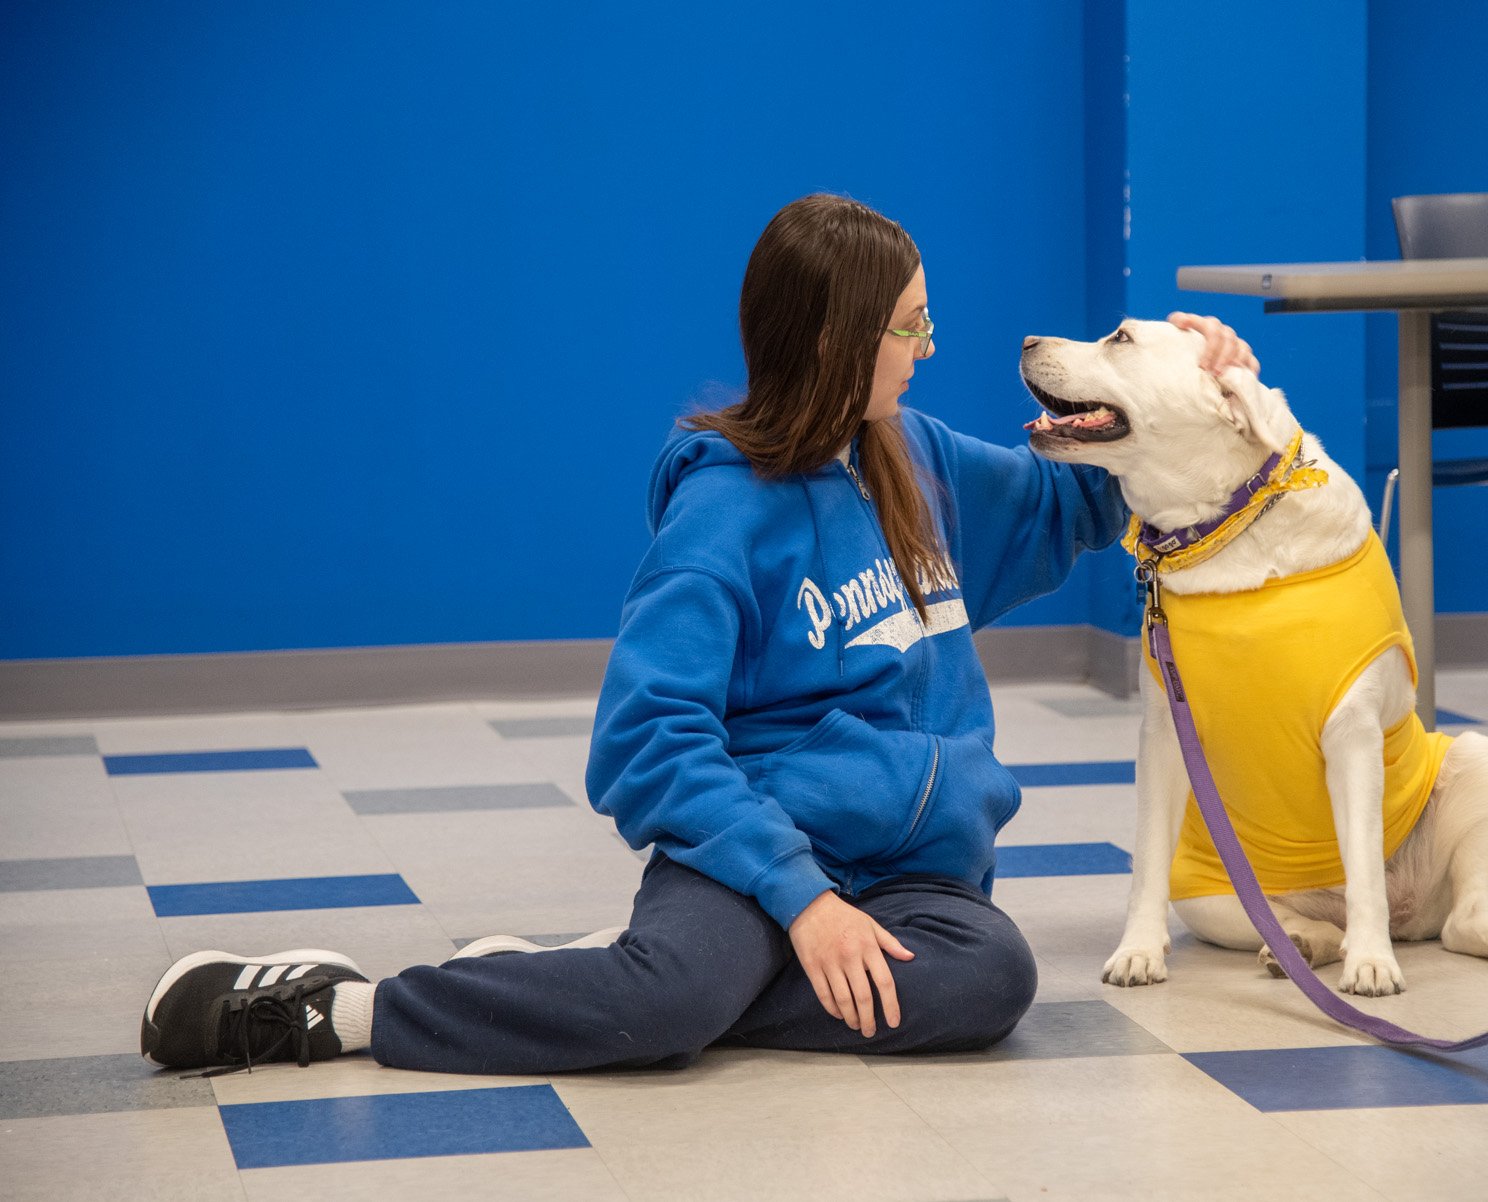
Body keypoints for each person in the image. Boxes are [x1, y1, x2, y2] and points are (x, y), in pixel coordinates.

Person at [139, 193, 1257, 1076]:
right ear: (834, 339)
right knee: (672, 997)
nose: (927, 345)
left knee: (990, 979)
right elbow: (642, 742)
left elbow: (1090, 498)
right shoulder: (722, 513)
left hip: (916, 873)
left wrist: (1200, 395)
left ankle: (603, 985)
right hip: (759, 851)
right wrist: (802, 899)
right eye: (908, 324)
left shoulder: (917, 456)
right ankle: (343, 1007)